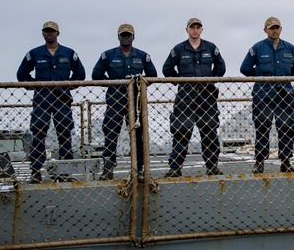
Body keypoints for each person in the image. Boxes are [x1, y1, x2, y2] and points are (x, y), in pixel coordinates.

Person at [17, 21, 86, 183]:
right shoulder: (34, 54)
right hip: (42, 100)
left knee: (65, 135)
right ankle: (35, 172)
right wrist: (36, 86)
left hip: (62, 100)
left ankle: (64, 173)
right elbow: (22, 75)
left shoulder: (69, 53)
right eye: (46, 31)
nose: (49, 34)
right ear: (42, 33)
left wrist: (67, 86)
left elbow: (80, 74)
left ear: (58, 33)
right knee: (38, 135)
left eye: (52, 31)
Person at [91, 23, 158, 180]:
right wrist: (112, 83)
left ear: (133, 37)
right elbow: (96, 75)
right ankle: (108, 170)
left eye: (128, 35)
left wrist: (140, 83)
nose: (126, 37)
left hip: (136, 103)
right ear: (118, 37)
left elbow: (152, 75)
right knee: (111, 135)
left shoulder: (142, 56)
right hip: (115, 101)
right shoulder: (108, 55)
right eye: (123, 35)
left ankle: (139, 169)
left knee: (138, 137)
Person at [240, 16, 294, 173]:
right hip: (263, 94)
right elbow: (245, 68)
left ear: (281, 29)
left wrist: (285, 76)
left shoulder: (290, 49)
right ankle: (260, 162)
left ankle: (286, 161)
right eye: (271, 28)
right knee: (262, 127)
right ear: (265, 30)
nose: (274, 30)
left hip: (284, 94)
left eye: (277, 27)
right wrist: (262, 75)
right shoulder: (257, 48)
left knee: (286, 127)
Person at [162, 18, 226, 177]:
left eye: (198, 27)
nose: (195, 30)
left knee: (209, 132)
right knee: (181, 132)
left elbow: (221, 67)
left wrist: (209, 79)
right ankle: (175, 168)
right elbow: (167, 69)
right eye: (192, 28)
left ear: (202, 30)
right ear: (187, 30)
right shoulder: (179, 49)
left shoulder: (211, 48)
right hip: (186, 98)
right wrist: (181, 80)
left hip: (207, 98)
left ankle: (212, 166)